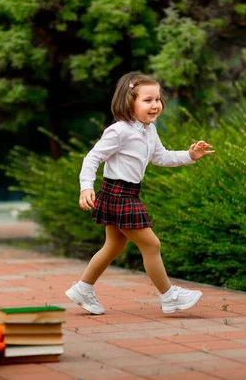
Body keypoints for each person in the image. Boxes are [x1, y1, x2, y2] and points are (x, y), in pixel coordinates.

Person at [65, 71, 214, 315]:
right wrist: (86, 187)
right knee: (152, 245)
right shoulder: (119, 131)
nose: (155, 105)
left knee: (113, 247)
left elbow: (161, 156)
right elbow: (93, 158)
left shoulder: (149, 130)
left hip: (127, 193)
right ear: (128, 101)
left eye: (158, 99)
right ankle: (169, 296)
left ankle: (83, 288)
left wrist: (190, 156)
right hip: (118, 194)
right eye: (148, 100)